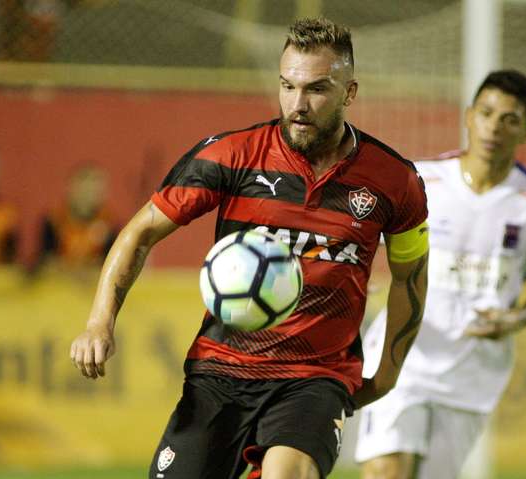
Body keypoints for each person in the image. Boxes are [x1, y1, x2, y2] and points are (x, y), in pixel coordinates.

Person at [69, 17, 429, 479]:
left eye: (317, 90)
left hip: (314, 378)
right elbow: (139, 233)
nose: (298, 104)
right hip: (220, 371)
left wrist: (389, 374)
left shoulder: (394, 181)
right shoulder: (231, 156)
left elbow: (411, 277)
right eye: (287, 86)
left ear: (349, 93)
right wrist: (100, 322)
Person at [355, 70, 526, 479]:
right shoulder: (421, 180)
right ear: (469, 116)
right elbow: (360, 241)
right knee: (385, 471)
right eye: (487, 113)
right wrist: (357, 275)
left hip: (472, 372)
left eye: (510, 119)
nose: (494, 126)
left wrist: (515, 318)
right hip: (403, 357)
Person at [32, 164, 117, 272]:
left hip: (93, 283)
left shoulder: (108, 223)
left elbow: (112, 263)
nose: (88, 194)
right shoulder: (53, 220)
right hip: (59, 282)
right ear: (71, 188)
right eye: (84, 188)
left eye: (94, 189)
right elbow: (45, 260)